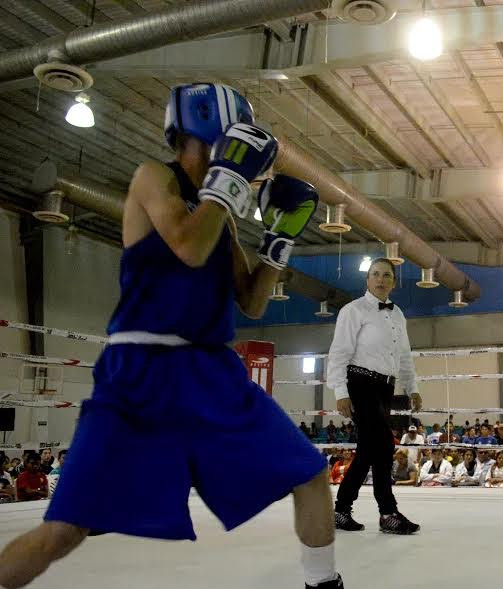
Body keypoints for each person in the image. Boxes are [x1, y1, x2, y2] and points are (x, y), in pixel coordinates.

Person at [0, 83, 342, 589]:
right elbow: (184, 244)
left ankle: (324, 584)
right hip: (141, 373)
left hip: (211, 375)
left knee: (311, 474)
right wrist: (226, 181)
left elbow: (250, 301)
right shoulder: (153, 177)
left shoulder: (220, 218)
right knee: (65, 530)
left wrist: (278, 244)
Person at [326, 257, 422, 535]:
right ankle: (388, 512)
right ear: (367, 280)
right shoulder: (353, 310)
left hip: (386, 387)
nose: (381, 280)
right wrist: (341, 392)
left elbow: (404, 355)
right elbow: (340, 352)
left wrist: (412, 386)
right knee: (383, 444)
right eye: (375, 275)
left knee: (370, 450)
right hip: (360, 383)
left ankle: (341, 510)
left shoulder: (398, 314)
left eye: (387, 276)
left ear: (394, 282)